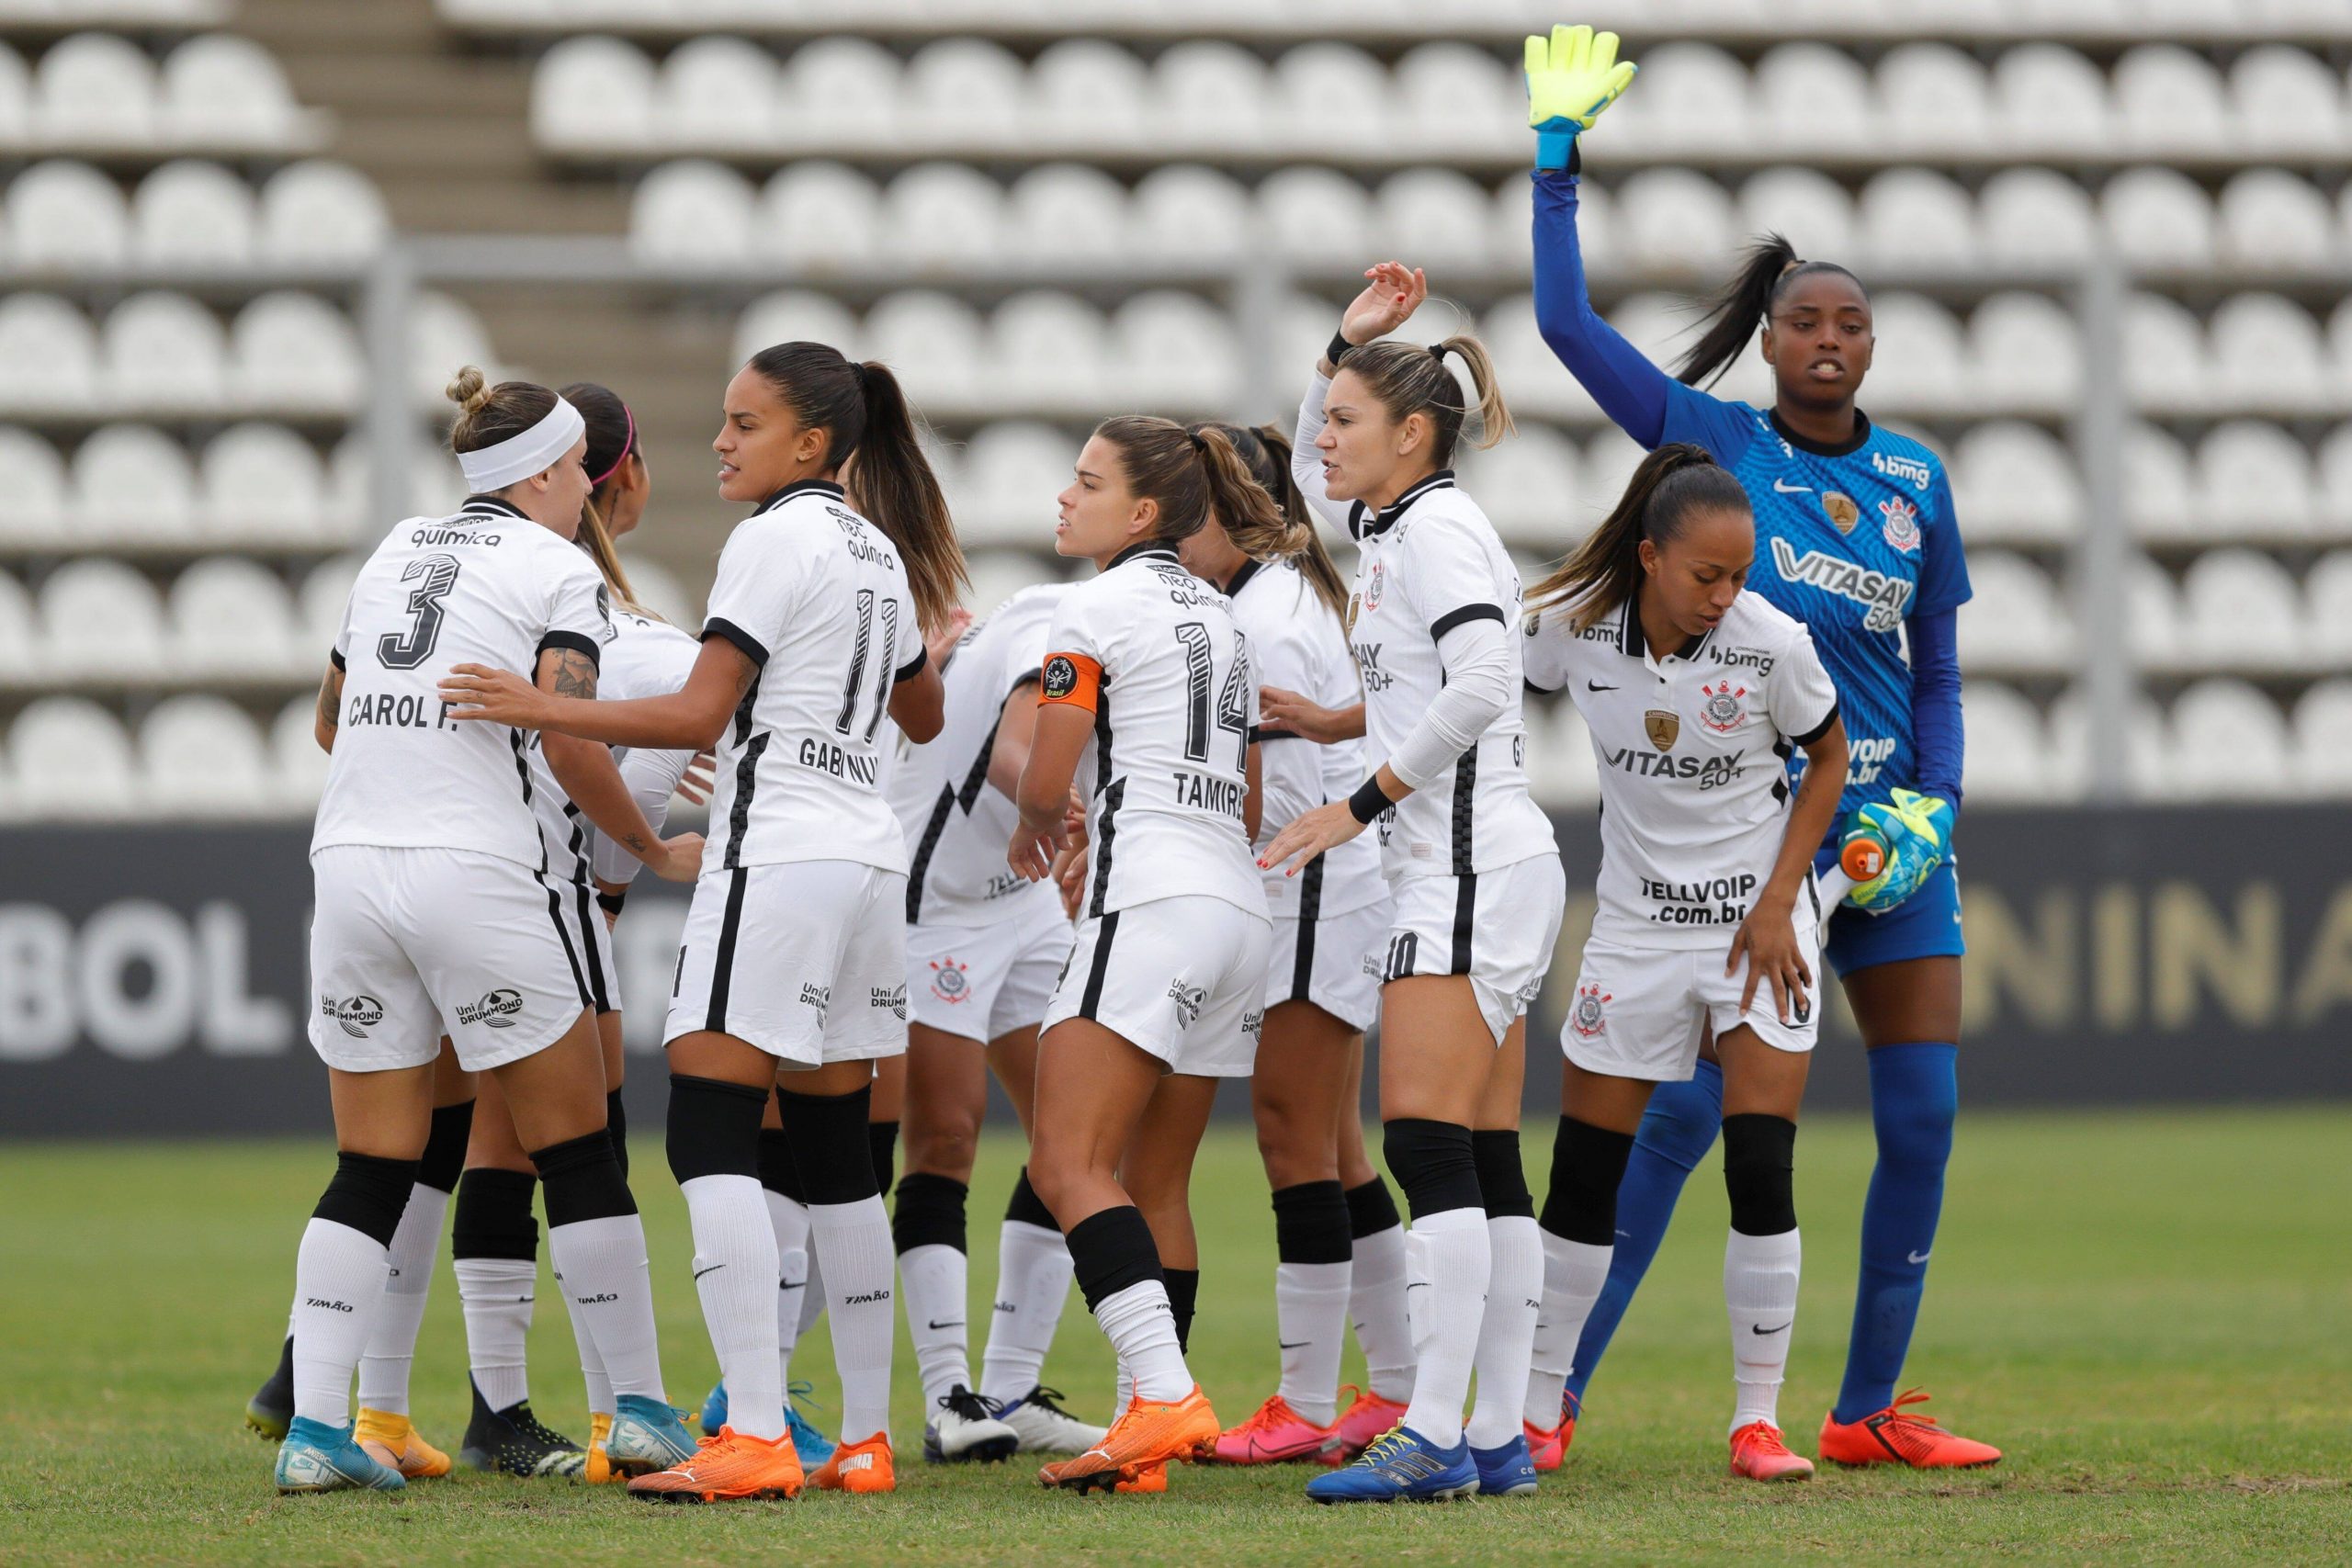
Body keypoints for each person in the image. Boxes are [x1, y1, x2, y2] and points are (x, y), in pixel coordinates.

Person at [1522, 24, 1995, 1470]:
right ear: (1772, 338)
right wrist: (1556, 165)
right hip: (1752, 846)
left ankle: (1860, 1412)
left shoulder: (1918, 477)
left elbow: (1937, 662)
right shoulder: (1711, 443)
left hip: (1885, 834)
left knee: (1923, 1114)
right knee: (1678, 1123)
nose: (1830, 339)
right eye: (1806, 321)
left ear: (1871, 342)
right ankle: (1557, 1395)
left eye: (1851, 321)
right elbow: (1563, 328)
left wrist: (1943, 809)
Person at [439, 341, 965, 1502]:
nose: (722, 441)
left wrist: (537, 702)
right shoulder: (877, 547)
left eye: (744, 422)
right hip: (871, 863)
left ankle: (758, 1435)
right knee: (835, 1161)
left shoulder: (773, 538)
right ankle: (867, 1442)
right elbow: (922, 714)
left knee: (708, 1135)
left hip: (777, 853)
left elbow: (696, 710)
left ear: (811, 443)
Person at [274, 369, 704, 1494]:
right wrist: (654, 851)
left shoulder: (391, 551)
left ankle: (319, 1435)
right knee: (575, 1149)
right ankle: (645, 1415)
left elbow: (329, 718)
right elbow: (566, 740)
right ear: (557, 471)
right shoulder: (557, 566)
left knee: (369, 1168)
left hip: (352, 866)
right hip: (483, 873)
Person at [1261, 265, 1566, 1504]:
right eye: (1325, 416)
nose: (1321, 441)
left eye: (1344, 420)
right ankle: (1493, 1430)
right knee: (1482, 1155)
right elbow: (1300, 468)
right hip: (1483, 854)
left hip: (1462, 855)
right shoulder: (1400, 522)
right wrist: (1344, 344)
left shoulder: (1435, 529)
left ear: (1414, 435)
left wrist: (1362, 796)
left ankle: (1434, 1426)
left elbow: (1489, 679)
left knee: (1431, 1143)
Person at [1521, 443, 1851, 1482]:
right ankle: (1536, 1412)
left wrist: (1777, 906)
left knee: (1758, 1166)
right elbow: (1480, 691)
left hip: (1757, 923)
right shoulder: (1572, 626)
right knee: (1582, 1178)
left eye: (1739, 576)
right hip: (1633, 927)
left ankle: (1757, 1422)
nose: (1724, 596)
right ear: (1653, 557)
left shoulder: (1772, 643)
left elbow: (1829, 756)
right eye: (1706, 575)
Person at [1011, 416, 1311, 1495]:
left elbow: (1046, 782)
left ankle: (1162, 1393)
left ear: (1141, 512)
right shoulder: (1223, 619)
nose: (1063, 497)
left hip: (1154, 901)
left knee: (1065, 1163)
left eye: (1084, 481)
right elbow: (1253, 784)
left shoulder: (1083, 611)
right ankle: (1152, 1425)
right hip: (1238, 906)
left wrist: (1038, 823)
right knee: (1156, 1181)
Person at [1166, 423, 1406, 1467]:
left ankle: (1307, 1400)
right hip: (1328, 880)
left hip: (1303, 882)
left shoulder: (1258, 618)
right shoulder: (1286, 595)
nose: (1175, 534)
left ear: (1237, 519)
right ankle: (1391, 1387)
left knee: (1291, 1139)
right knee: (1338, 1150)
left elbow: (1265, 790)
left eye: (1191, 513)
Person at [887, 581, 1113, 1462]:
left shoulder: (1154, 615)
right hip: (933, 899)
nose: (1065, 495)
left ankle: (1011, 1388)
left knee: (1075, 1131)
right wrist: (1065, 810)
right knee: (944, 1134)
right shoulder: (1060, 619)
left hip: (1018, 897)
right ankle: (948, 1396)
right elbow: (1021, 751)